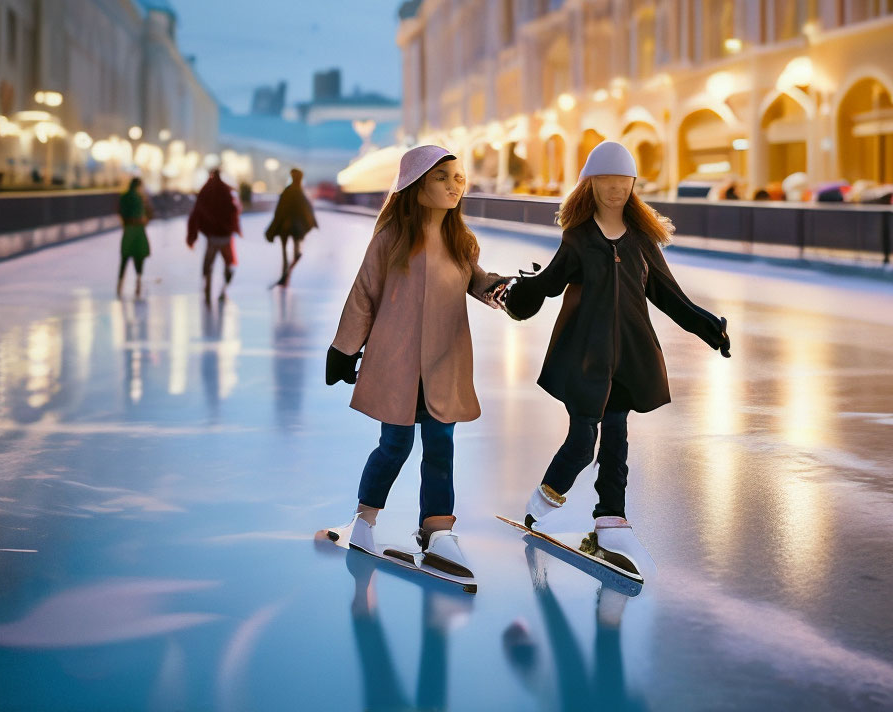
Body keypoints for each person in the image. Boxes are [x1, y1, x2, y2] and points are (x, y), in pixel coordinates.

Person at [502, 141, 731, 577]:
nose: (614, 190)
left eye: (621, 182)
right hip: (585, 357)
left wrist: (710, 328)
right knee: (583, 440)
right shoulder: (580, 238)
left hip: (628, 355)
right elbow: (549, 283)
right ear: (591, 185)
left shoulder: (643, 242)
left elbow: (671, 297)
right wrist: (520, 292)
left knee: (616, 439)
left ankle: (611, 518)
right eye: (605, 182)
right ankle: (545, 498)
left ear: (632, 185)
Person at [324, 145, 509, 585]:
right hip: (398, 360)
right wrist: (344, 349)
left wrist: (502, 289)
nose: (453, 186)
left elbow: (476, 278)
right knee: (395, 445)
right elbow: (364, 294)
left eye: (458, 178)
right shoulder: (391, 240)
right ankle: (364, 521)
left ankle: (438, 529)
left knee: (441, 443)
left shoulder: (461, 241)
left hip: (444, 360)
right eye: (441, 178)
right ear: (415, 185)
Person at [186, 167, 242, 304]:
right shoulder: (226, 190)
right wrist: (233, 228)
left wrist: (192, 236)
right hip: (225, 235)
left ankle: (207, 289)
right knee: (227, 262)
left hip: (212, 235)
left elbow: (197, 212)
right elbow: (233, 210)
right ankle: (223, 288)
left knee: (208, 263)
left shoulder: (206, 191)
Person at [265, 168, 318, 286]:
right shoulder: (299, 192)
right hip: (296, 229)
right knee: (297, 253)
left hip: (285, 227)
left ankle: (285, 274)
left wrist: (275, 225)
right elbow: (307, 210)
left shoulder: (288, 191)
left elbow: (279, 210)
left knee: (285, 252)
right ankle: (286, 274)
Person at [117, 176, 152, 298]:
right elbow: (147, 213)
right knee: (139, 255)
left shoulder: (124, 196)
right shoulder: (140, 198)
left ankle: (120, 283)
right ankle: (138, 280)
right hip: (138, 230)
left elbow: (120, 211)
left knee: (125, 256)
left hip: (128, 229)